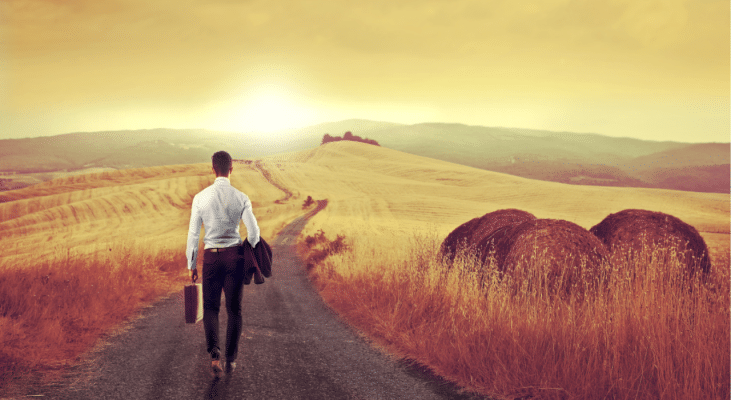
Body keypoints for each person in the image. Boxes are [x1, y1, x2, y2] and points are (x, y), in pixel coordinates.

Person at [186, 151, 260, 378]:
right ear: (231, 169)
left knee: (210, 308)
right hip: (234, 258)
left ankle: (215, 353)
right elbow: (254, 234)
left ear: (212, 168)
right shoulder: (241, 197)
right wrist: (248, 249)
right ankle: (231, 359)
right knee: (234, 310)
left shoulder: (200, 197)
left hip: (210, 258)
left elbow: (193, 234)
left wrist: (192, 263)